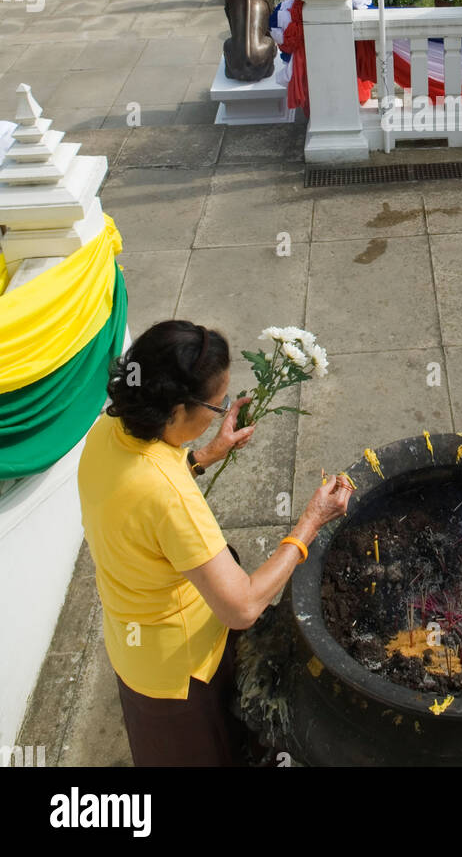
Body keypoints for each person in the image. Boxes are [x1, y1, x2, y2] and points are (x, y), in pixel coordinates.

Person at [77, 320, 353, 767]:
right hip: (183, 675)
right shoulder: (170, 497)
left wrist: (204, 455)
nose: (220, 410)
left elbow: (142, 499)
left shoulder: (106, 433)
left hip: (134, 651)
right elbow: (241, 607)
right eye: (216, 403)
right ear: (176, 410)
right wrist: (310, 523)